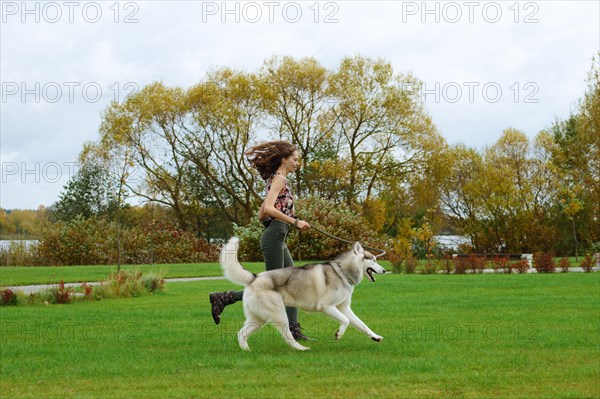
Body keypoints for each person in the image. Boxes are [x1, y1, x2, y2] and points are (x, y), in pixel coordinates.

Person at [209, 140, 313, 341]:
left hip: (277, 234)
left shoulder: (276, 179)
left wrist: (280, 219)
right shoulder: (280, 179)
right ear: (284, 160)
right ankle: (224, 297)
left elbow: (262, 213)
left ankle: (293, 329)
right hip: (275, 235)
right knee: (270, 285)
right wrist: (295, 221)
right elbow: (270, 209)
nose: (297, 163)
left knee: (293, 283)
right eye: (295, 159)